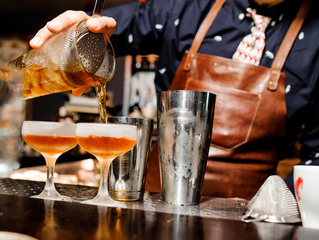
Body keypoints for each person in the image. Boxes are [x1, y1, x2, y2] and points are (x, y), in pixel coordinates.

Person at [29, 0, 319, 199]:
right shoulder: (186, 7)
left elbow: (314, 163)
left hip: (252, 222)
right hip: (155, 205)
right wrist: (80, 33)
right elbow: (108, 31)